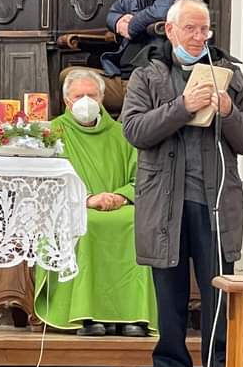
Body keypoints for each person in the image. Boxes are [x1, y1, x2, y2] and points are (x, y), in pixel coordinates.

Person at [121, 0, 243, 367]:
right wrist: (183, 106)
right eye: (191, 29)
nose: (200, 37)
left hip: (214, 202)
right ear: (170, 30)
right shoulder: (147, 75)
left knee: (218, 292)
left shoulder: (229, 74)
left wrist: (229, 111)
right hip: (165, 202)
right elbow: (134, 130)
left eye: (205, 29)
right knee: (170, 293)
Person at [34, 70, 158, 337]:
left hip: (120, 206)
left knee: (138, 223)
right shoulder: (52, 133)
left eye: (92, 95)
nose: (86, 101)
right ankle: (86, 316)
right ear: (67, 101)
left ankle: (133, 316)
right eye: (79, 95)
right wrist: (87, 200)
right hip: (73, 208)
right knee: (86, 225)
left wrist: (121, 196)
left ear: (102, 98)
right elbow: (46, 183)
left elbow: (142, 177)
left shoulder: (123, 134)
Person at [67, 0, 180, 114]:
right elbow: (111, 15)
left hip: (148, 72)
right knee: (69, 78)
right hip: (123, 68)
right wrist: (119, 23)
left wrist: (132, 26)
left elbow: (161, 12)